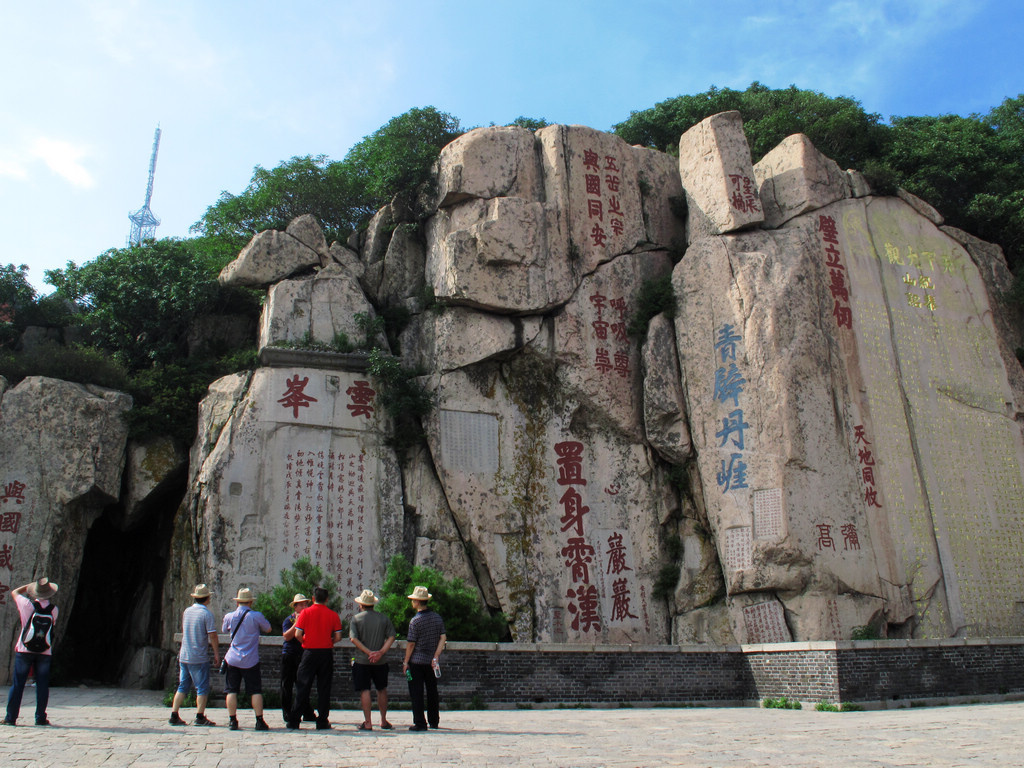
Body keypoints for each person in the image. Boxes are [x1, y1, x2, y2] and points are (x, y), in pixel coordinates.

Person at [3, 578, 59, 726]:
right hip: (45, 651)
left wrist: (28, 587)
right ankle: (40, 717)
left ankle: (11, 718)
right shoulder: (54, 610)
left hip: (24, 649)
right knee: (42, 684)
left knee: (18, 683)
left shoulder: (27, 605)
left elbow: (14, 592)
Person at [287, 586, 342, 730]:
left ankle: (294, 720)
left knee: (303, 686)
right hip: (325, 653)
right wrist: (329, 642)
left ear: (313, 599)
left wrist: (305, 641)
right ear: (327, 599)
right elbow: (338, 636)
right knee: (324, 687)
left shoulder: (305, 613)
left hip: (309, 652)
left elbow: (298, 635)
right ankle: (322, 720)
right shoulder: (333, 615)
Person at [170, 583, 221, 726]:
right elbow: (213, 636)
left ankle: (174, 714)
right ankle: (200, 716)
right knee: (202, 687)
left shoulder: (187, 611)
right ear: (207, 598)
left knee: (182, 686)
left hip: (184, 654)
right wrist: (217, 654)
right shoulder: (206, 614)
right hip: (198, 656)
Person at [221, 587, 272, 731]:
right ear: (250, 602)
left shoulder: (229, 616)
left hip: (233, 659)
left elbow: (224, 629)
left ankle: (232, 721)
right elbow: (268, 629)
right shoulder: (256, 616)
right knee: (255, 690)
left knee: (231, 690)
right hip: (251, 659)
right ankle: (259, 720)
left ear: (238, 602)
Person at [348, 589, 396, 731]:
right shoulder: (383, 618)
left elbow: (353, 638)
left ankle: (368, 722)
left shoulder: (356, 619)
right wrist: (380, 652)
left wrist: (368, 652)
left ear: (361, 604)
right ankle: (383, 720)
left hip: (362, 660)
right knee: (381, 689)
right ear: (373, 604)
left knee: (365, 690)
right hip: (380, 661)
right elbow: (392, 637)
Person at [402, 585, 446, 732]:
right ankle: (434, 721)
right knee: (432, 691)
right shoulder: (437, 618)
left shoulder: (415, 621)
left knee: (417, 692)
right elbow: (443, 638)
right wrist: (436, 656)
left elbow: (411, 644)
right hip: (431, 662)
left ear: (417, 602)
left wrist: (406, 661)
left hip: (417, 661)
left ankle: (420, 722)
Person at [280, 593, 316, 725]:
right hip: (289, 654)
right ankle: (287, 711)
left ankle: (306, 712)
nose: (304, 606)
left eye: (306, 604)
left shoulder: (310, 619)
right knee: (287, 684)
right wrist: (297, 623)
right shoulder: (288, 620)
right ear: (295, 607)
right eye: (301, 604)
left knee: (303, 684)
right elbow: (287, 636)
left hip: (303, 655)